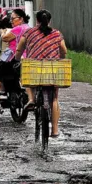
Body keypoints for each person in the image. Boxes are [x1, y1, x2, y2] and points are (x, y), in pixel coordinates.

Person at [13, 9, 68, 137]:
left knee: (25, 73)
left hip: (34, 69)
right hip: (53, 69)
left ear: (37, 20)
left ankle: (31, 99)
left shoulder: (29, 33)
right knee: (54, 98)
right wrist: (61, 56)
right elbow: (64, 50)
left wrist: (17, 58)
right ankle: (55, 130)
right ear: (49, 21)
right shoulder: (56, 34)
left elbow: (20, 49)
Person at [0, 9, 30, 111]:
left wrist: (3, 32)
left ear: (21, 19)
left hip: (15, 57)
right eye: (10, 19)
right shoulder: (29, 28)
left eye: (13, 19)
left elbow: (5, 38)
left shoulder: (18, 29)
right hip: (27, 58)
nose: (11, 21)